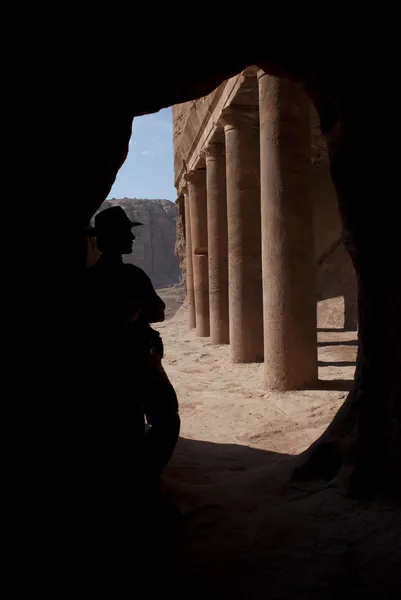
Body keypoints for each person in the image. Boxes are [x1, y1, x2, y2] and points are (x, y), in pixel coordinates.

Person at [83, 205, 180, 510]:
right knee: (155, 421)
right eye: (125, 234)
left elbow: (158, 310)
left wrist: (137, 310)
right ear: (107, 239)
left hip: (126, 363)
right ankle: (140, 484)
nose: (132, 239)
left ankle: (139, 482)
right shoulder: (125, 276)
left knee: (152, 422)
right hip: (126, 365)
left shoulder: (100, 278)